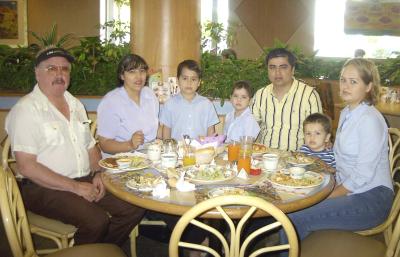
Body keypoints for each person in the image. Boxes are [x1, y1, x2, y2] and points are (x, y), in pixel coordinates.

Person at [5, 47, 144, 246]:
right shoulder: (26, 110)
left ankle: (102, 249)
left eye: (64, 69)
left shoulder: (76, 105)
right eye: (51, 68)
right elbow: (27, 167)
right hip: (42, 187)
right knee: (96, 221)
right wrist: (75, 187)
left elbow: (90, 147)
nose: (60, 73)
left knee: (133, 207)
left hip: (84, 177)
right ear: (37, 72)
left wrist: (98, 174)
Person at [279, 58, 394, 255]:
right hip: (353, 189)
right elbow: (346, 155)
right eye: (342, 80)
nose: (345, 86)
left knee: (292, 216)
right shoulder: (348, 111)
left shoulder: (369, 120)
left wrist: (330, 194)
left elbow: (362, 175)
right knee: (295, 201)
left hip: (371, 198)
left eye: (353, 81)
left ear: (368, 86)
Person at [251, 48, 322, 151]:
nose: (277, 72)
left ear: (292, 70)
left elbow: (318, 132)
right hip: (265, 159)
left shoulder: (309, 96)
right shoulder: (260, 95)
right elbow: (251, 129)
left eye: (283, 67)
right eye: (272, 67)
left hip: (297, 160)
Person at [97, 54, 160, 156]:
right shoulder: (111, 102)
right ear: (122, 75)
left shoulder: (150, 94)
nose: (138, 76)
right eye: (132, 72)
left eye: (142, 71)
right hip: (120, 163)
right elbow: (104, 144)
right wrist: (129, 144)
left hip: (149, 158)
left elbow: (156, 129)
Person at [160, 59, 219, 140]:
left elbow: (210, 131)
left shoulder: (207, 104)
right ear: (177, 80)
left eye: (193, 79)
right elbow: (167, 130)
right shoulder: (169, 104)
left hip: (200, 150)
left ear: (199, 82)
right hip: (177, 150)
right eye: (185, 78)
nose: (189, 82)